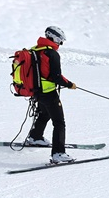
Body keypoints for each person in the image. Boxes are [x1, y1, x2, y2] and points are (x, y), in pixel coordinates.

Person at [24, 26, 78, 164]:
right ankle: (58, 153)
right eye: (60, 40)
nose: (61, 43)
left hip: (37, 91)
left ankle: (35, 137)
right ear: (54, 38)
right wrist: (69, 84)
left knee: (44, 114)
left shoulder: (36, 49)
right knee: (59, 123)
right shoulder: (52, 54)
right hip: (49, 93)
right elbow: (56, 76)